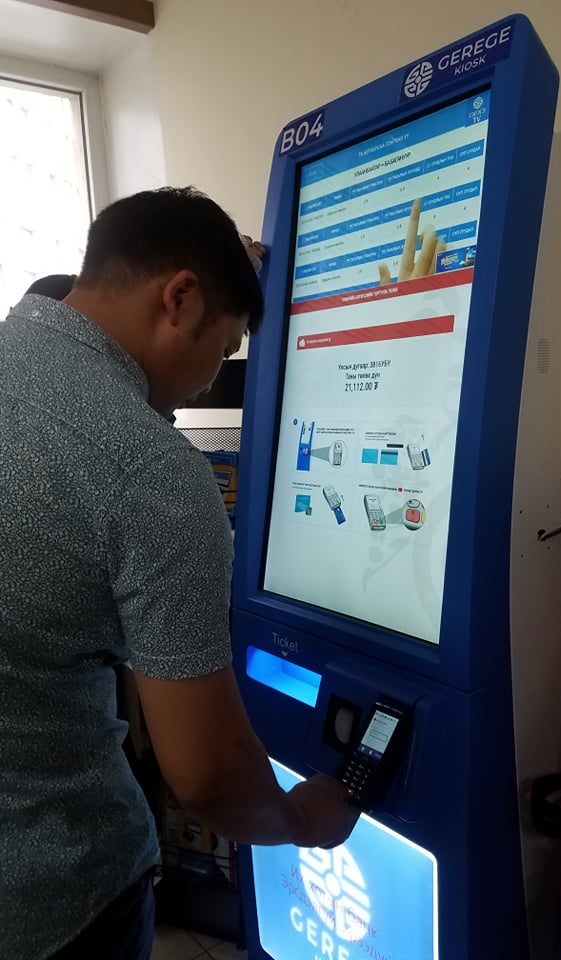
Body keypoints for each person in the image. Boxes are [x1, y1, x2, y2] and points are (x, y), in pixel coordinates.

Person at [0, 186, 356, 960]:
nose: (206, 382)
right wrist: (303, 821)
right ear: (181, 298)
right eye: (223, 351)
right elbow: (209, 774)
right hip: (55, 903)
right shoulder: (150, 472)